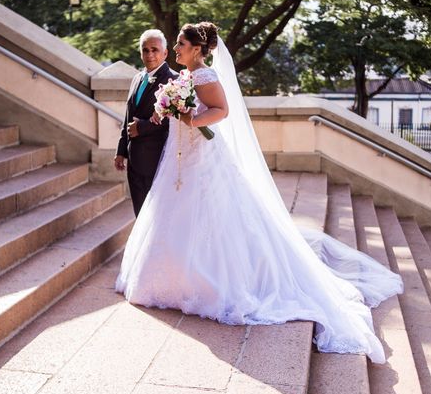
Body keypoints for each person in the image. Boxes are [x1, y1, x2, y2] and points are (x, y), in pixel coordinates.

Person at [116, 22, 403, 363]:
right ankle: (171, 279)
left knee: (210, 216)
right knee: (173, 213)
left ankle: (205, 283)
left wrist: (190, 118)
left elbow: (221, 111)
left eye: (179, 44)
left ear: (196, 49)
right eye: (176, 44)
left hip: (203, 159)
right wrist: (173, 110)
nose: (175, 49)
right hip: (180, 157)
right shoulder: (183, 78)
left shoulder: (205, 77)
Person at [114, 29, 178, 216]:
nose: (150, 54)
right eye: (145, 50)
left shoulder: (173, 80)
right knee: (140, 214)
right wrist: (121, 150)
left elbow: (174, 120)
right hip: (134, 160)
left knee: (155, 215)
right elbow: (128, 114)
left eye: (155, 50)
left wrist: (141, 128)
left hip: (156, 159)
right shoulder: (136, 78)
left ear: (165, 53)